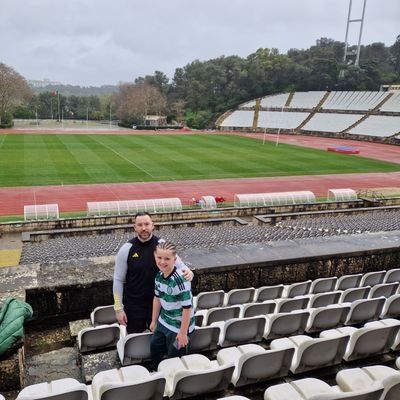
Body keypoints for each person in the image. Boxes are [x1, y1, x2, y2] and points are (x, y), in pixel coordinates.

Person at [113, 212, 193, 334]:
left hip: (160, 304)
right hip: (134, 307)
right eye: (140, 225)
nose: (144, 228)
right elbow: (118, 280)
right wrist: (118, 308)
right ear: (134, 227)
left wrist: (189, 272)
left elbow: (181, 266)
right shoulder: (126, 249)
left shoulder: (161, 244)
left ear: (152, 226)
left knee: (157, 341)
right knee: (136, 341)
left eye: (146, 224)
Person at [149, 241, 195, 368]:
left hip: (179, 327)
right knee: (155, 346)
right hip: (164, 320)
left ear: (174, 260)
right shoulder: (158, 276)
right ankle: (157, 369)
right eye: (159, 258)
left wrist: (183, 333)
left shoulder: (180, 280)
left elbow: (187, 308)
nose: (162, 262)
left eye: (167, 259)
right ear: (154, 257)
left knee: (175, 356)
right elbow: (157, 299)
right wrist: (154, 321)